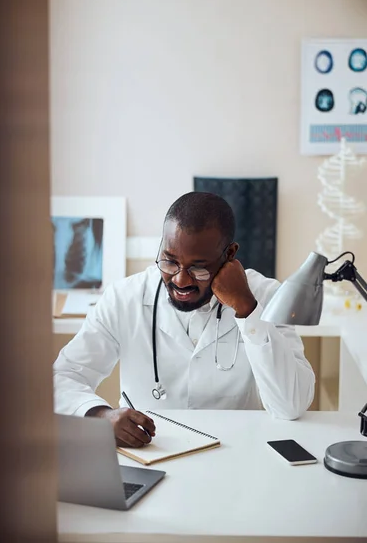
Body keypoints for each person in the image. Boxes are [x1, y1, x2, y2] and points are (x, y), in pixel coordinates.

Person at [53, 192, 315, 448]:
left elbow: (290, 406)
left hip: (238, 456)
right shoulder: (124, 297)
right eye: (169, 261)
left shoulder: (266, 296)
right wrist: (101, 416)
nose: (180, 279)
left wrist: (248, 310)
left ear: (230, 254)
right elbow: (64, 376)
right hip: (149, 456)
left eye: (198, 268)